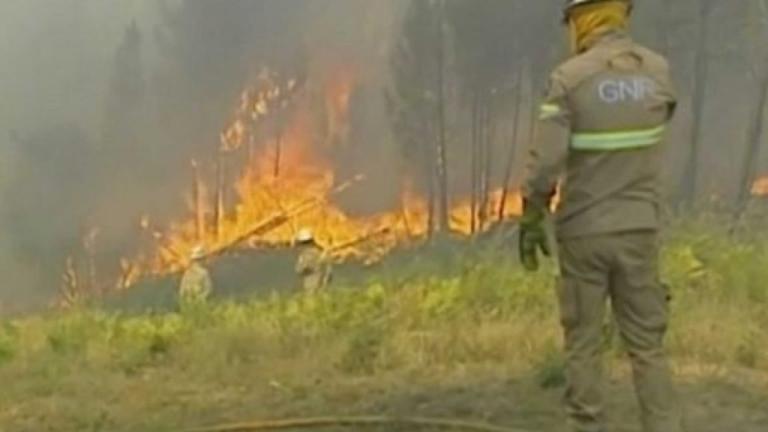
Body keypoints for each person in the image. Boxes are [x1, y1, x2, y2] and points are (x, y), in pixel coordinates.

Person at [520, 1, 683, 431]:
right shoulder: (658, 72)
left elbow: (545, 164)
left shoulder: (569, 80)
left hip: (584, 233)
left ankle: (587, 425)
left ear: (580, 20)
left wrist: (532, 213)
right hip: (639, 229)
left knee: (584, 342)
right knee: (647, 345)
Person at [294, 228, 331, 294]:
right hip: (323, 289)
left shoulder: (306, 255)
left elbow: (299, 269)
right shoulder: (320, 252)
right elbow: (328, 272)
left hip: (310, 289)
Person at [178, 245, 213, 310]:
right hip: (200, 306)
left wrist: (184, 304)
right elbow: (208, 290)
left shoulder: (187, 273)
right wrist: (200, 299)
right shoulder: (204, 273)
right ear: (201, 259)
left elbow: (182, 292)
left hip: (188, 306)